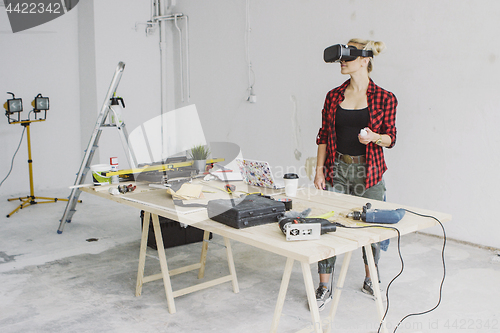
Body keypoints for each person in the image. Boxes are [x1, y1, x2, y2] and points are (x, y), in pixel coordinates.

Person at [313, 38, 398, 311]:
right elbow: (324, 136)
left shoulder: (385, 98)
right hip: (336, 168)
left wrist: (374, 137)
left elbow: (391, 139)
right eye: (342, 57)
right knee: (327, 225)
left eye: (348, 56)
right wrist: (318, 171)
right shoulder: (333, 96)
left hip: (369, 171)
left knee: (371, 228)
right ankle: (324, 285)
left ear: (364, 60)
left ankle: (370, 278)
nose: (342, 61)